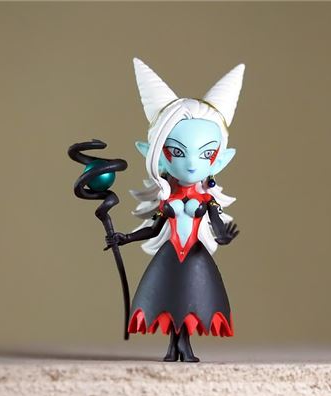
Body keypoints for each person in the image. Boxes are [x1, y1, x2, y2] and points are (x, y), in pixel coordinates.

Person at [105, 58, 245, 362]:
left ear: (220, 160)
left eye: (206, 153)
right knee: (169, 300)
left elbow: (217, 225)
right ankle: (174, 347)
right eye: (178, 151)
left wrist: (223, 236)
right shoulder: (166, 200)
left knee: (191, 301)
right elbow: (154, 228)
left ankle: (184, 347)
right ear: (157, 155)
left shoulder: (207, 201)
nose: (192, 163)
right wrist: (125, 238)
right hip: (171, 255)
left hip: (194, 257)